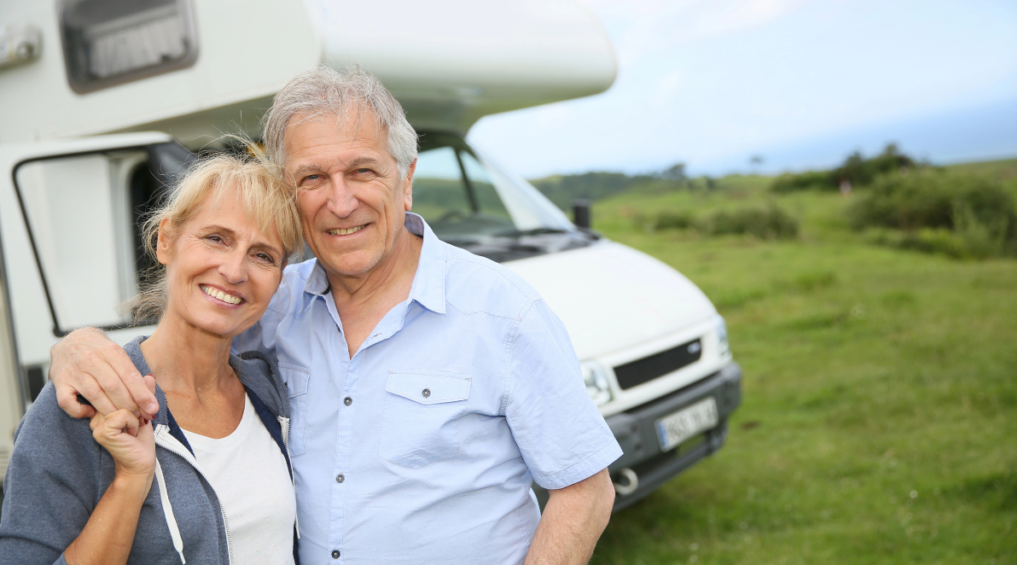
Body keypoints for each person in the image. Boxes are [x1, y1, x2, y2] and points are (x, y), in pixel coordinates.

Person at [47, 65, 623, 565]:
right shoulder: (275, 302)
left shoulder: (503, 313)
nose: (340, 202)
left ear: (406, 180)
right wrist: (80, 348)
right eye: (313, 178)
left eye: (363, 171)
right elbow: (186, 334)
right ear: (288, 196)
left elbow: (585, 490)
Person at [0, 152, 304, 564]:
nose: (234, 270)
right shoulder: (82, 404)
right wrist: (129, 482)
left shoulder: (270, 392)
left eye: (263, 255)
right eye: (216, 238)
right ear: (166, 241)